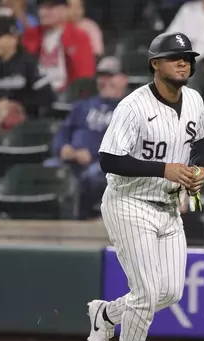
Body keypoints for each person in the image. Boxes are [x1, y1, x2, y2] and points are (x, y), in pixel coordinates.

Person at [86, 32, 204, 341]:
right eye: (175, 57)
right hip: (129, 202)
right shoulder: (134, 106)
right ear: (155, 64)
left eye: (187, 57)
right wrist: (164, 168)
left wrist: (199, 170)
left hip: (169, 206)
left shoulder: (195, 101)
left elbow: (201, 143)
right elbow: (107, 159)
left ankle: (107, 315)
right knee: (146, 292)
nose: (184, 62)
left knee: (170, 292)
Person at [46, 57, 128, 220]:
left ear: (123, 80)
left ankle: (82, 220)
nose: (105, 81)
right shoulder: (83, 106)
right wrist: (63, 148)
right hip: (72, 161)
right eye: (102, 77)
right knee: (49, 168)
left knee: (92, 176)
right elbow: (63, 132)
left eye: (111, 76)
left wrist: (93, 154)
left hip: (105, 166)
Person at [0, 8, 56, 127]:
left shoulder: (28, 62)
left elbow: (47, 97)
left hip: (23, 129)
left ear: (13, 38)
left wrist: (17, 106)